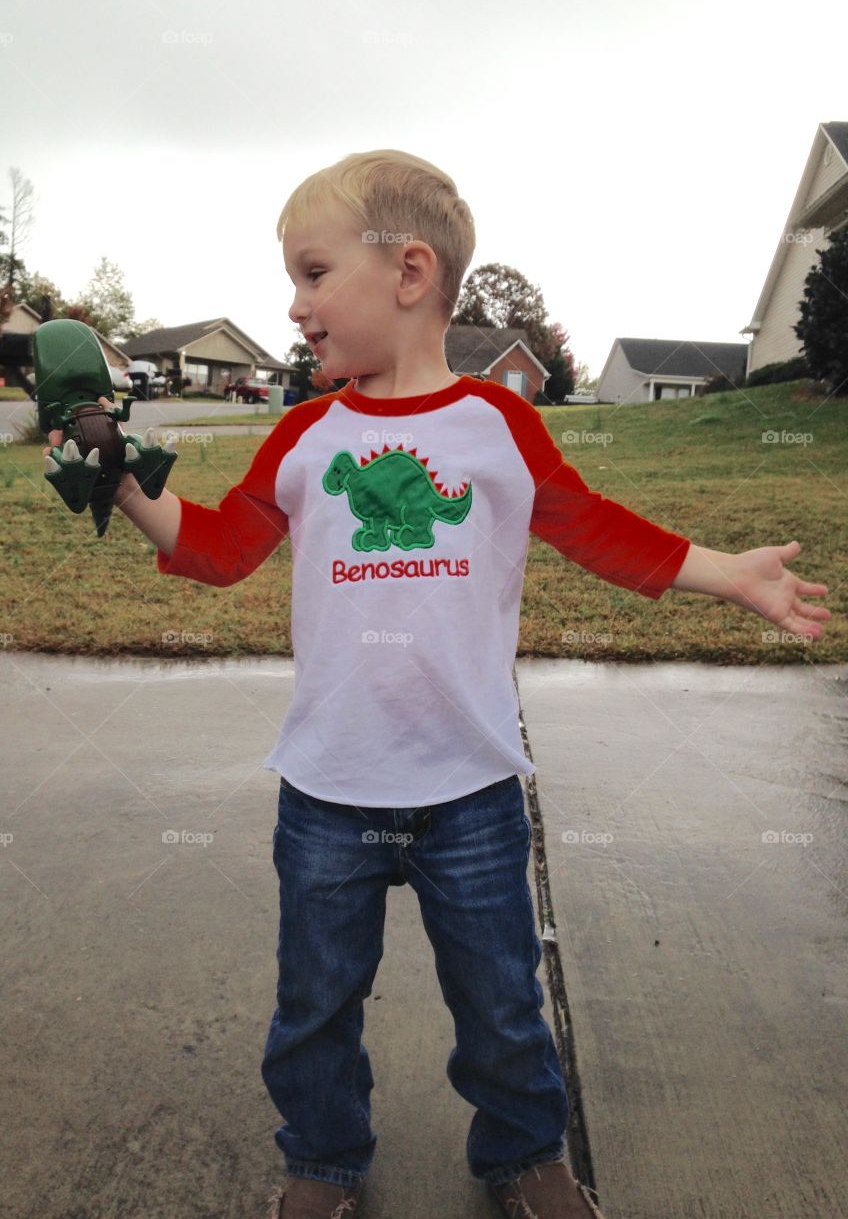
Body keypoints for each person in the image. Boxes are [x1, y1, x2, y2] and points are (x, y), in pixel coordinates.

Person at [43, 150, 830, 1219]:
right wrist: (128, 487)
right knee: (316, 1002)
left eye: (314, 273)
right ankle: (321, 1157)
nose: (295, 303)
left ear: (409, 271)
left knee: (503, 998)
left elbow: (593, 527)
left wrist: (725, 572)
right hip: (329, 785)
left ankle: (523, 1150)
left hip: (470, 785)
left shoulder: (496, 426)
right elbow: (222, 546)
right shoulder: (307, 434)